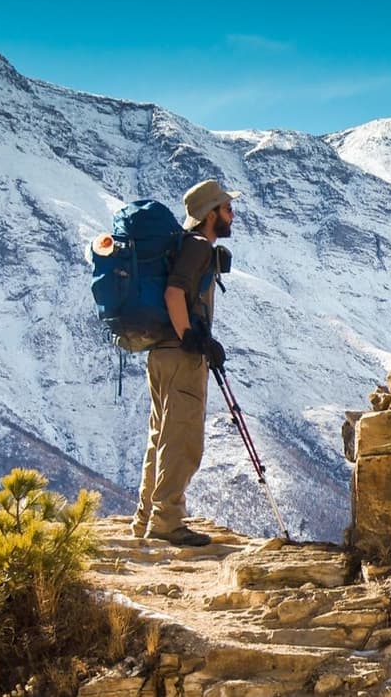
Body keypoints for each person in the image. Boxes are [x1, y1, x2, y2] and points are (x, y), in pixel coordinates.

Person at [130, 179, 239, 546]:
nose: (231, 215)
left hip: (161, 354)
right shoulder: (196, 247)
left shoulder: (184, 246)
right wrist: (191, 337)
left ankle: (146, 519)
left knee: (160, 437)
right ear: (210, 215)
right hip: (180, 355)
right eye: (226, 209)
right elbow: (175, 291)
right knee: (182, 439)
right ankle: (167, 522)